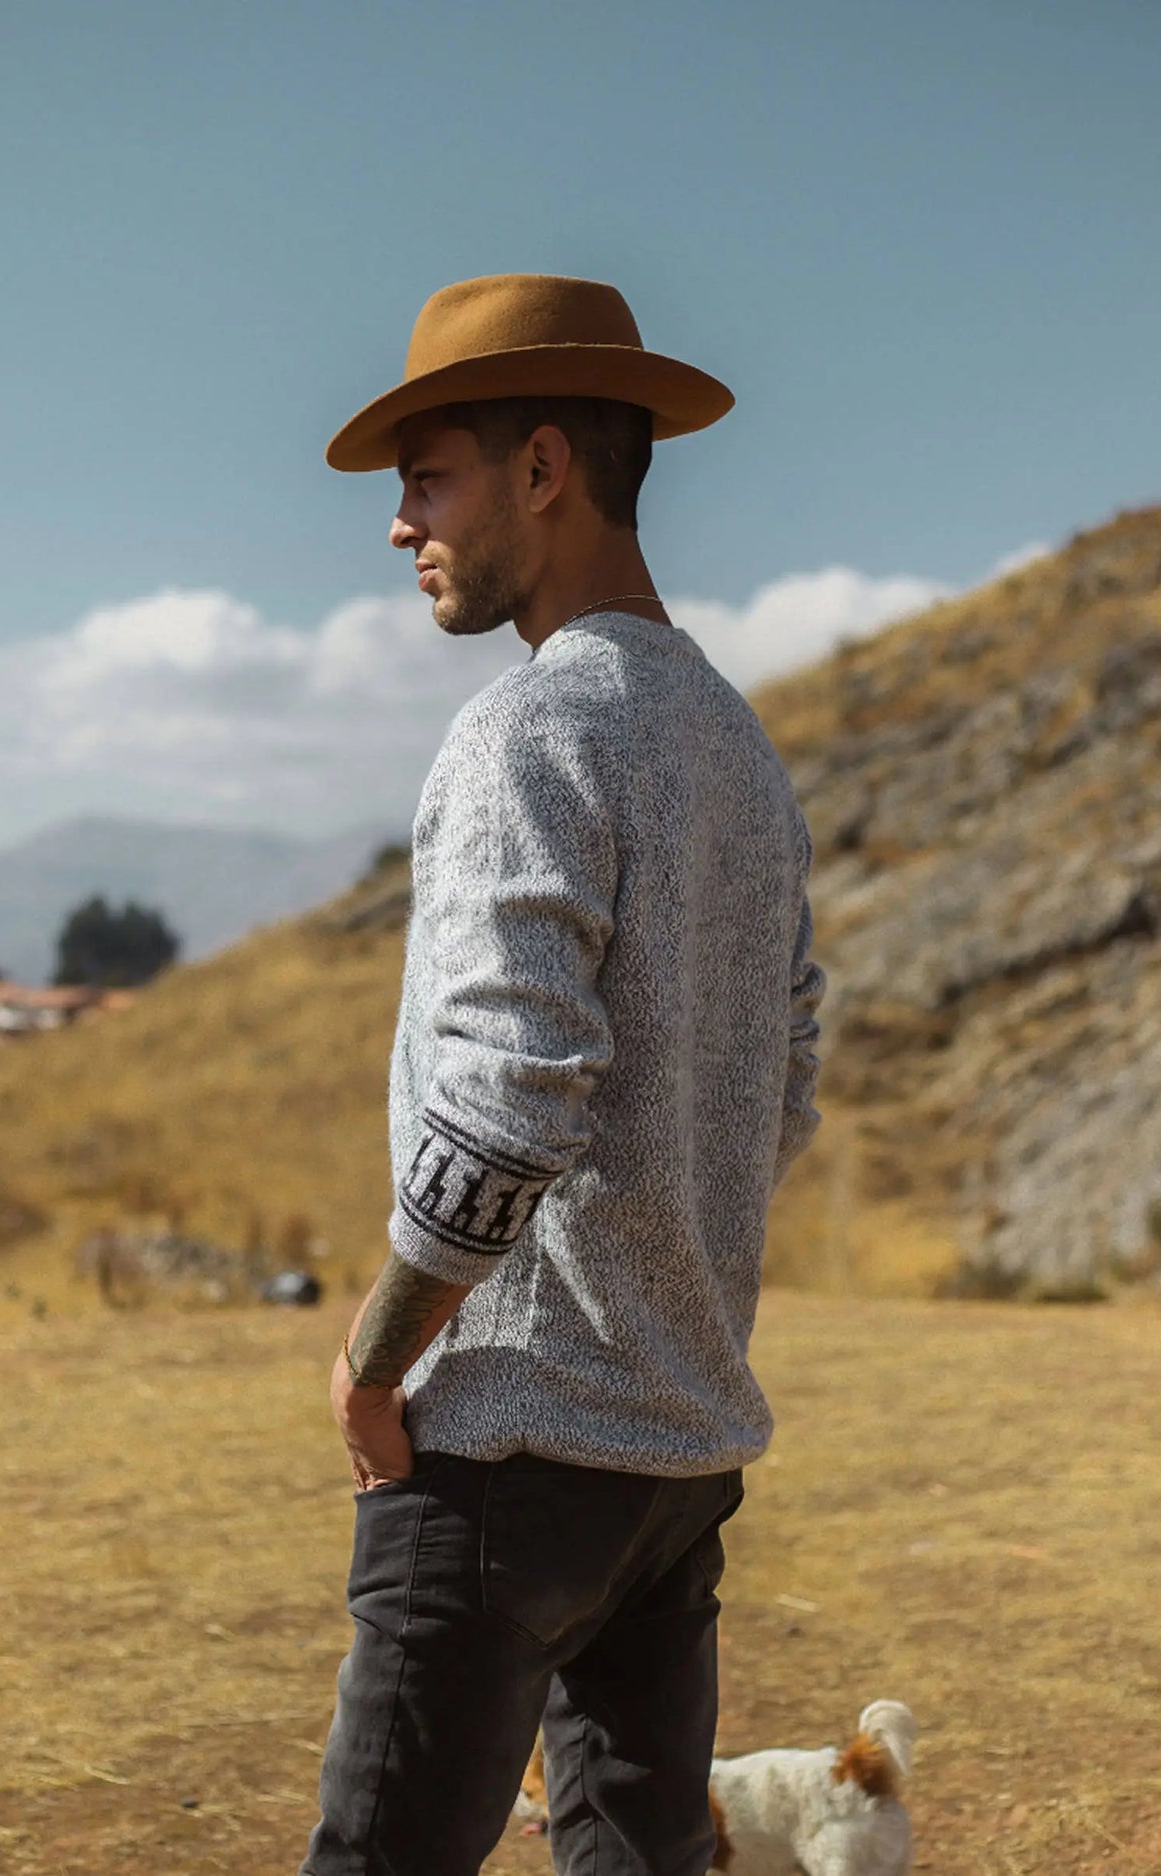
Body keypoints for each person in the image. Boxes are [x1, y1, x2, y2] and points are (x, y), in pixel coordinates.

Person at [299, 273, 827, 1876]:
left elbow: (508, 1100)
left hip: (505, 1457)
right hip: (677, 1453)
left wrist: (377, 1357)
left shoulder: (529, 730)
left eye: (429, 477)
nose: (402, 525)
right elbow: (786, 1081)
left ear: (541, 469)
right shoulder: (738, 748)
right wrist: (657, 1274)